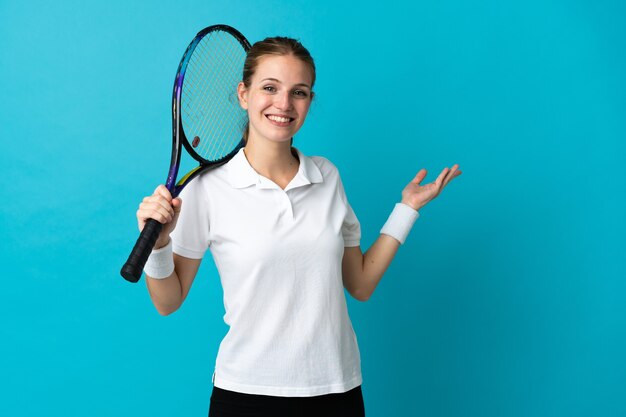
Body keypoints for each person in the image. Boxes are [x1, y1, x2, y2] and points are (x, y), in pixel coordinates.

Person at [136, 36, 461, 417]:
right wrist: (159, 245)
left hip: (337, 389)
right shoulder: (209, 187)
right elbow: (167, 302)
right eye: (270, 88)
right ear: (244, 94)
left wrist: (407, 209)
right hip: (245, 395)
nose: (284, 104)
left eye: (299, 92)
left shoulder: (327, 176)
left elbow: (360, 284)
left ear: (309, 100)